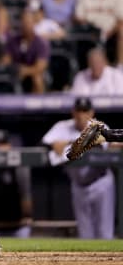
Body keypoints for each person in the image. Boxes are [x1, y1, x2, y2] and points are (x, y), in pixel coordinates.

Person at [42, 97, 115, 239]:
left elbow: (105, 145)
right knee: (85, 234)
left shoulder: (100, 127)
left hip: (100, 183)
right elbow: (44, 143)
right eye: (79, 111)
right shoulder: (62, 127)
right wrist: (57, 144)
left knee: (105, 233)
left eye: (85, 111)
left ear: (92, 113)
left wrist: (68, 143)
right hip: (78, 185)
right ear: (73, 112)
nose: (82, 115)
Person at [0, 129, 32, 238]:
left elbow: (26, 197)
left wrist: (27, 216)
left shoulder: (19, 167)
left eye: (3, 144)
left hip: (17, 227)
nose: (0, 148)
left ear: (9, 145)